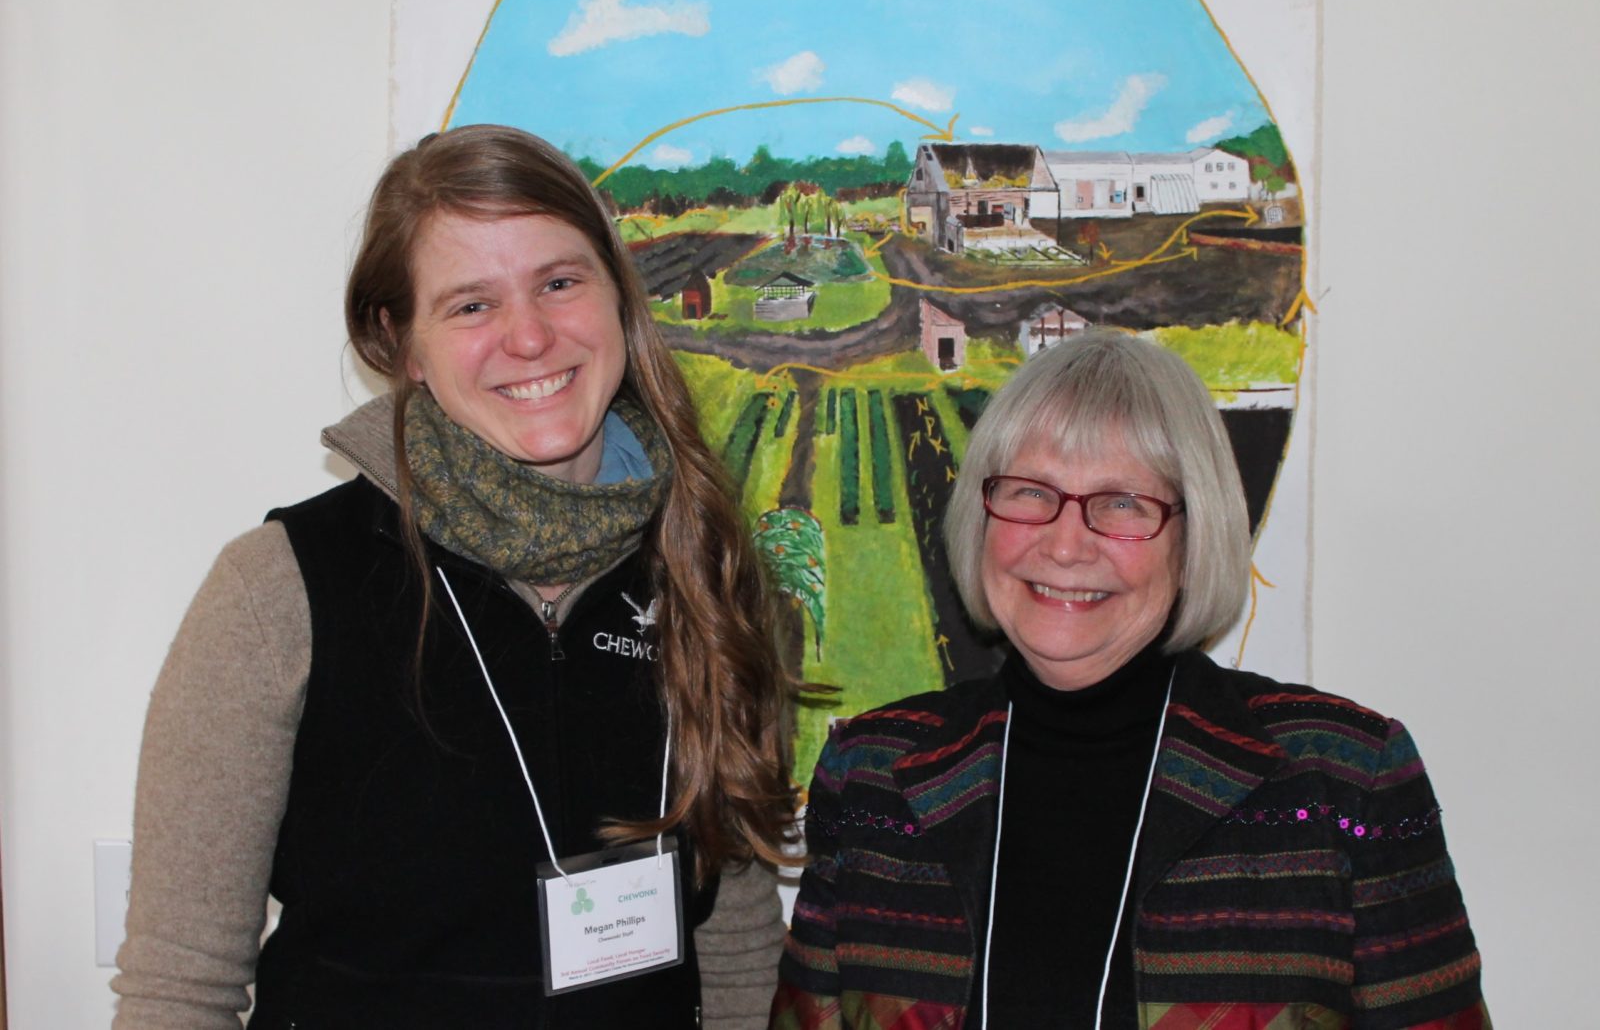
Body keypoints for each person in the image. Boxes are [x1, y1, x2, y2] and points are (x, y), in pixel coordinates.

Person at [113, 124, 796, 1029]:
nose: (530, 335)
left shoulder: (709, 576)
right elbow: (180, 988)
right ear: (401, 344)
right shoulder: (277, 595)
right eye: (471, 305)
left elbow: (742, 949)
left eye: (559, 281)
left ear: (617, 299)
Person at [772, 329, 1489, 1028]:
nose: (1064, 543)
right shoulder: (872, 775)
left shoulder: (1344, 778)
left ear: (1193, 537)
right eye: (1029, 491)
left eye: (1121, 503)